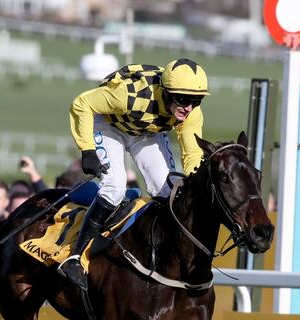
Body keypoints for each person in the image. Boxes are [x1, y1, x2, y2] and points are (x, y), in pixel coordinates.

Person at [59, 58, 210, 290]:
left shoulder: (192, 114)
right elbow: (82, 103)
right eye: (182, 99)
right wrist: (87, 149)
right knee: (115, 188)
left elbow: (192, 154)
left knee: (169, 191)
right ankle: (75, 257)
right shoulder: (128, 95)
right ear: (166, 92)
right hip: (108, 124)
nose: (188, 107)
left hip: (147, 132)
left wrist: (194, 181)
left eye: (196, 101)